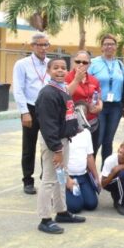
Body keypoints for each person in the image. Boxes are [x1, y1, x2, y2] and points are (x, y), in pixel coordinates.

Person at [35, 57, 85, 233]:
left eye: (63, 68)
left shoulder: (61, 89)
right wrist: (56, 149)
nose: (60, 71)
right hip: (54, 143)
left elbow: (64, 113)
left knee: (61, 177)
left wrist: (73, 127)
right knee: (49, 179)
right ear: (48, 71)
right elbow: (48, 125)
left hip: (63, 140)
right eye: (55, 68)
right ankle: (45, 218)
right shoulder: (48, 93)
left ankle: (62, 211)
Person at [12, 32, 51, 194]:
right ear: (33, 46)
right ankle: (28, 180)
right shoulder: (22, 64)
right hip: (31, 108)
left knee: (49, 145)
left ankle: (46, 177)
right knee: (29, 146)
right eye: (40, 45)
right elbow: (18, 89)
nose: (43, 48)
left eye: (45, 45)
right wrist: (24, 112)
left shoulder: (51, 63)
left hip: (48, 109)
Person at [89, 33, 124, 163]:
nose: (109, 46)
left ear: (115, 47)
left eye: (111, 44)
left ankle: (106, 174)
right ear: (101, 47)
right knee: (97, 140)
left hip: (115, 107)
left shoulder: (120, 65)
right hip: (99, 105)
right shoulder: (93, 63)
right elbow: (86, 82)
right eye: (106, 44)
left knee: (108, 141)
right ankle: (90, 173)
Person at [65, 50, 102, 153]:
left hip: (92, 122)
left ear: (89, 64)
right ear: (73, 62)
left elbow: (98, 97)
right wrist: (76, 80)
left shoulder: (94, 80)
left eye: (85, 62)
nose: (81, 64)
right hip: (73, 123)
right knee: (75, 153)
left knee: (91, 152)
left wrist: (100, 106)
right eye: (78, 61)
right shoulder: (66, 77)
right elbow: (65, 95)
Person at [64, 119, 101, 214]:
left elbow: (89, 156)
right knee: (75, 207)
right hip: (67, 176)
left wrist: (96, 177)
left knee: (91, 204)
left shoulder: (86, 133)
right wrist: (66, 179)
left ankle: (78, 193)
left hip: (82, 176)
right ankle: (57, 194)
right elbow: (57, 161)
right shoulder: (62, 132)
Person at [100, 139, 124, 216]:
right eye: (121, 146)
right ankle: (121, 203)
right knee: (123, 174)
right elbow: (103, 184)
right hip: (109, 183)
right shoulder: (110, 160)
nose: (121, 150)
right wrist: (115, 171)